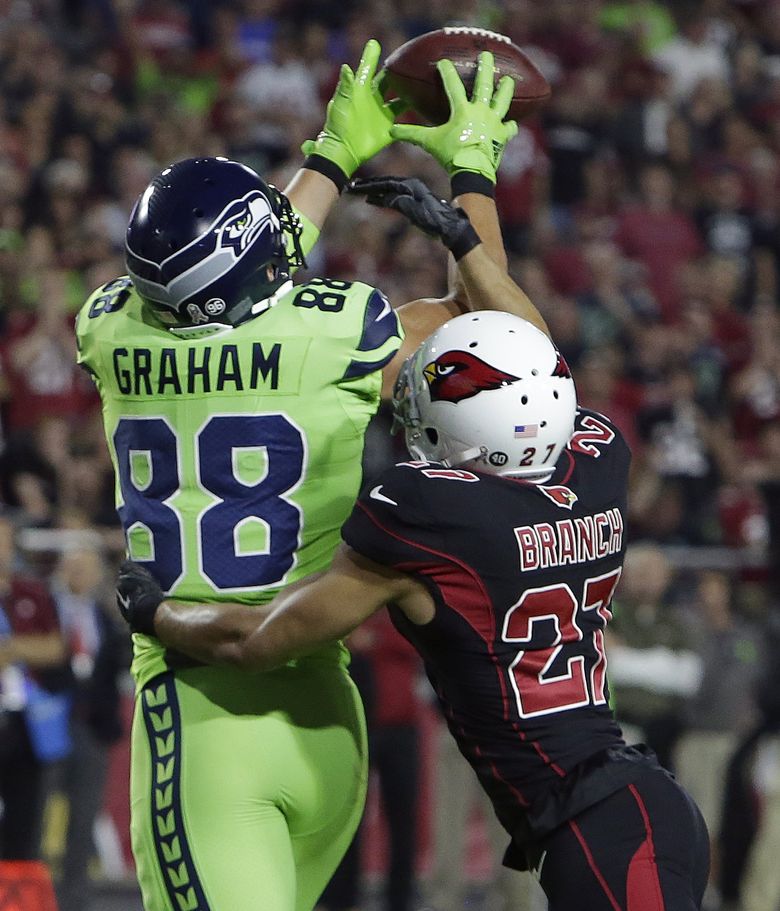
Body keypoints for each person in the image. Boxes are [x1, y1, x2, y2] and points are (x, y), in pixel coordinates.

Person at [116, 182, 712, 910]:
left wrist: (156, 615)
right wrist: (468, 220)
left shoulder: (431, 513)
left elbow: (258, 641)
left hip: (592, 819)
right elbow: (529, 352)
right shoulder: (596, 455)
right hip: (631, 804)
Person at [77, 40, 523, 911]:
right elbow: (499, 335)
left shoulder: (111, 330)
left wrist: (326, 158)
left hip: (203, 724)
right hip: (324, 708)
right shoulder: (347, 329)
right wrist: (473, 172)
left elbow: (226, 275)